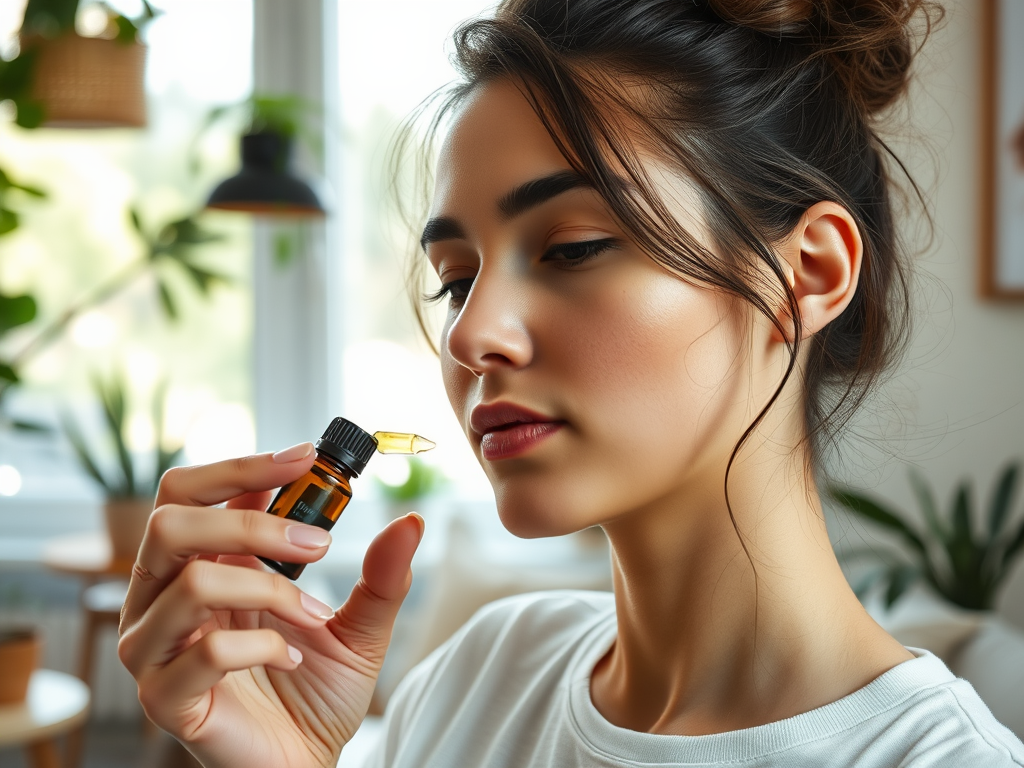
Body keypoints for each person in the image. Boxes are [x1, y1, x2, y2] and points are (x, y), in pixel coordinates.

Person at [117, 1, 1024, 766]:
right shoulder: (474, 685)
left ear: (808, 275)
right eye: (456, 279)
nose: (470, 335)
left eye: (573, 248)